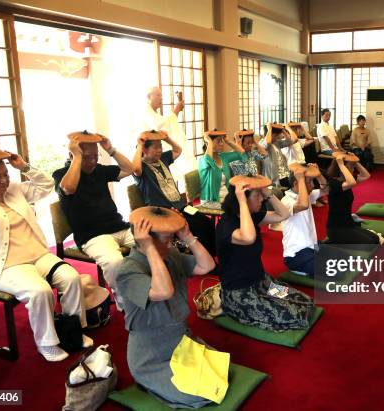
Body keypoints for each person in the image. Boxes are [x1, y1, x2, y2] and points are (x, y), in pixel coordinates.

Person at [0, 151, 92, 362]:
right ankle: (47, 343)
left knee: (71, 277)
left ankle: (73, 331)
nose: (4, 181)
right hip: (6, 267)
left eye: (5, 174)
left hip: (37, 256)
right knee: (40, 291)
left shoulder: (15, 191)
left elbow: (47, 186)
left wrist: (24, 167)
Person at [116, 206, 216, 408]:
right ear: (146, 240)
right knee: (200, 394)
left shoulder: (170, 256)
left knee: (220, 374)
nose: (172, 244)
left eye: (173, 238)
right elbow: (163, 291)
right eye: (167, 239)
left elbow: (207, 266)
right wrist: (150, 248)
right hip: (152, 356)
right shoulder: (128, 270)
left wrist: (188, 237)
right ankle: (150, 383)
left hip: (181, 342)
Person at [216, 175, 315, 331]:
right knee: (297, 314)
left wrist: (266, 192)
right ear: (242, 198)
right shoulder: (226, 225)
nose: (261, 199)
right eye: (257, 196)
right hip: (239, 292)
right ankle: (234, 309)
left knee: (305, 301)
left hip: (263, 282)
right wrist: (242, 200)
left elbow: (284, 214)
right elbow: (248, 237)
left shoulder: (252, 216)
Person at [52, 132, 135, 305]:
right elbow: (68, 188)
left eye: (96, 156)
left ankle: (143, 288)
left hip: (119, 226)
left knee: (151, 245)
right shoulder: (61, 175)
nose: (92, 161)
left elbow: (130, 169)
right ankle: (125, 301)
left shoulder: (99, 170)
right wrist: (77, 157)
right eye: (87, 157)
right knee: (114, 261)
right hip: (93, 236)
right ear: (72, 155)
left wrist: (111, 150)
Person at [131, 130, 216, 256]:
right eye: (156, 147)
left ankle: (211, 256)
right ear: (145, 149)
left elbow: (178, 150)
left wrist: (167, 138)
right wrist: (139, 146)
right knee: (198, 227)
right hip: (163, 211)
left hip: (181, 207)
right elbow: (135, 169)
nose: (160, 150)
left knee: (206, 222)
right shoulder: (142, 168)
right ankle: (201, 259)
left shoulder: (162, 159)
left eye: (160, 146)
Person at [141, 86, 196, 192]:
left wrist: (176, 112)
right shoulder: (145, 111)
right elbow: (158, 126)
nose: (161, 98)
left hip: (157, 155)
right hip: (147, 156)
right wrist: (176, 111)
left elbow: (164, 126)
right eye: (158, 95)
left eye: (161, 95)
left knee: (167, 181)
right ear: (149, 96)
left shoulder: (154, 113)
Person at [281, 163, 329, 277]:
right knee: (334, 270)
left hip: (312, 247)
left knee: (342, 257)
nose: (312, 186)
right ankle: (298, 269)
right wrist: (301, 179)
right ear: (297, 183)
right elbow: (303, 205)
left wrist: (318, 174)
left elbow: (327, 190)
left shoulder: (307, 195)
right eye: (309, 182)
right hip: (296, 255)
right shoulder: (286, 201)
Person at [325, 152, 380, 245]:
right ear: (342, 169)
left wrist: (354, 161)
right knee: (371, 243)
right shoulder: (334, 183)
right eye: (351, 167)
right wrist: (341, 164)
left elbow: (366, 175)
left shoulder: (347, 181)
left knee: (375, 238)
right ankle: (331, 242)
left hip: (349, 224)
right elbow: (352, 183)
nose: (353, 169)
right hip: (337, 229)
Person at [198, 130, 245, 204]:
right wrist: (209, 141)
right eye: (218, 141)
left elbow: (241, 153)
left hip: (225, 197)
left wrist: (228, 141)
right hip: (210, 201)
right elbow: (208, 159)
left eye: (222, 141)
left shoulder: (223, 157)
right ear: (208, 144)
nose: (222, 144)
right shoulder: (203, 161)